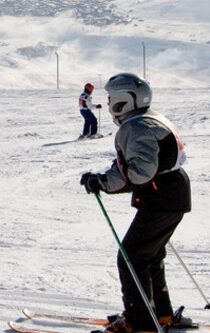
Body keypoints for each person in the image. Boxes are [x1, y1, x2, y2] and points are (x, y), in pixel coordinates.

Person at [79, 73, 191, 333]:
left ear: (123, 101)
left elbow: (139, 172)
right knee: (149, 255)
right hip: (171, 193)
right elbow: (133, 164)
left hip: (160, 198)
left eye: (110, 99)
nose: (108, 105)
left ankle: (140, 322)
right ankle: (158, 314)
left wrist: (103, 183)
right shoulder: (149, 119)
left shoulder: (135, 126)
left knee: (130, 258)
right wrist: (103, 177)